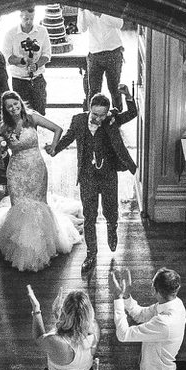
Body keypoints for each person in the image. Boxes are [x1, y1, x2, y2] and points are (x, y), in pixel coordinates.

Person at [0, 90, 77, 272]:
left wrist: (53, 147)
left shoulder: (32, 118)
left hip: (36, 168)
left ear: (20, 102)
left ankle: (40, 246)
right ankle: (19, 247)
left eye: (15, 104)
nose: (13, 108)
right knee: (19, 206)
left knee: (37, 205)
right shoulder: (3, 126)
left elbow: (57, 129)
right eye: (9, 106)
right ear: (4, 109)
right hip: (16, 171)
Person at [48, 85, 138, 270]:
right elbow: (67, 138)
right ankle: (91, 254)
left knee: (111, 210)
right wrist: (54, 149)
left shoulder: (112, 120)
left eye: (102, 115)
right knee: (89, 216)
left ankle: (112, 229)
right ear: (89, 109)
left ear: (107, 113)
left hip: (108, 174)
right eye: (95, 115)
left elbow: (133, 113)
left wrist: (128, 96)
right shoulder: (78, 121)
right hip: (88, 176)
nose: (98, 119)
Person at [115, 266, 186, 370]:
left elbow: (123, 334)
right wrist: (126, 295)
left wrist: (117, 299)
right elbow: (140, 315)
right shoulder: (174, 303)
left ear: (156, 291)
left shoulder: (164, 322)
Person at [26, 288, 102, 370]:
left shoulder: (57, 342)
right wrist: (58, 314)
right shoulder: (94, 328)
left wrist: (36, 309)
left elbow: (39, 337)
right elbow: (75, 330)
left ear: (65, 312)